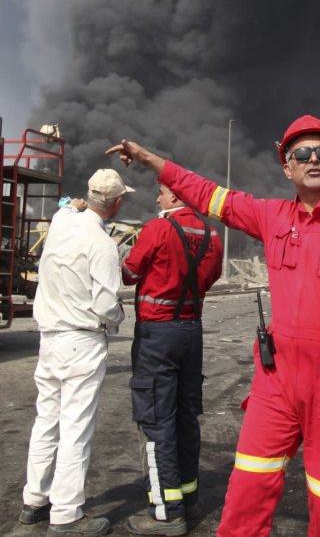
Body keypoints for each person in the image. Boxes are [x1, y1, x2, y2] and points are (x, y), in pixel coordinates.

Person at [106, 115, 320, 536]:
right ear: (288, 167)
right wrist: (151, 160)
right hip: (276, 377)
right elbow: (208, 194)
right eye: (301, 154)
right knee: (248, 484)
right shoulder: (271, 216)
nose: (313, 159)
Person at [19, 169, 134, 536]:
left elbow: (67, 207)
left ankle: (35, 501)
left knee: (46, 421)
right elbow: (105, 303)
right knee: (76, 428)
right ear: (115, 204)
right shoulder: (102, 245)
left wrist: (74, 206)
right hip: (81, 341)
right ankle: (67, 515)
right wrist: (119, 316)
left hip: (48, 339)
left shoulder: (61, 221)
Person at [120, 184, 225, 536]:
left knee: (155, 422)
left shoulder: (158, 228)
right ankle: (188, 498)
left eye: (162, 194)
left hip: (157, 335)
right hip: (191, 331)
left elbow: (129, 272)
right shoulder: (212, 234)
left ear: (177, 197)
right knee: (184, 416)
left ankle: (165, 512)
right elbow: (211, 277)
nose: (158, 199)